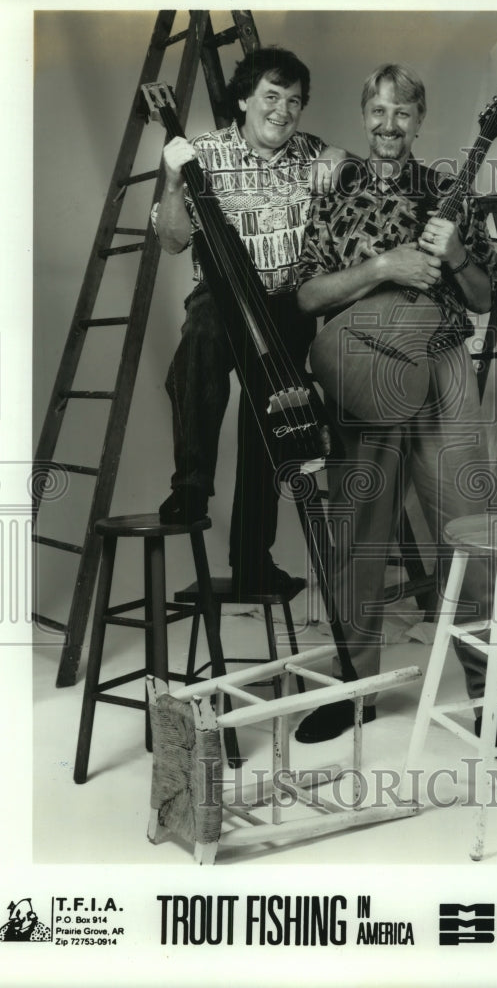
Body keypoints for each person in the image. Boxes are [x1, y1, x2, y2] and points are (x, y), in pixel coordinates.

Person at [294, 63, 497, 758]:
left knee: (469, 533)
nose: (389, 125)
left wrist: (456, 253)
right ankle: (354, 692)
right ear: (363, 114)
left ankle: (490, 700)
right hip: (363, 372)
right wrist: (381, 269)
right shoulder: (335, 196)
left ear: (420, 119)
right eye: (377, 111)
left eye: (402, 113)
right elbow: (307, 297)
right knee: (357, 538)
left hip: (441, 369)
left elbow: (486, 298)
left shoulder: (446, 191)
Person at [153, 46, 345, 594]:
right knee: (199, 345)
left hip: (285, 304)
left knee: (269, 420)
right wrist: (171, 182)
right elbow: (170, 241)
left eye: (294, 101)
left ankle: (252, 560)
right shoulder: (203, 153)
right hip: (222, 297)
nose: (282, 110)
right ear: (244, 99)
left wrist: (340, 155)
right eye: (271, 96)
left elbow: (360, 176)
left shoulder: (311, 153)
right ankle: (190, 484)